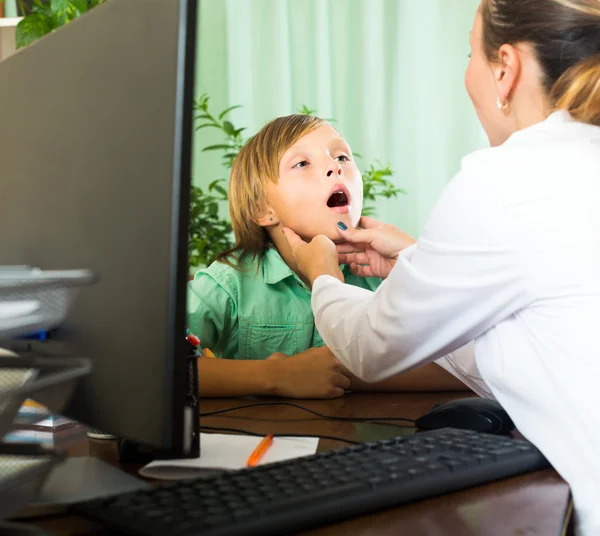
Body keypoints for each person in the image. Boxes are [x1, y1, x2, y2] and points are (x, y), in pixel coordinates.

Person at [283, 1, 600, 534]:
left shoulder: (506, 182)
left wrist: (321, 275)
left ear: (505, 68)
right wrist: (414, 260)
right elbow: (546, 337)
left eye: (468, 54)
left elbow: (369, 348)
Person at [188, 113, 469, 398]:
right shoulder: (229, 283)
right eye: (302, 163)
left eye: (342, 157)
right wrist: (275, 376)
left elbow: (472, 366)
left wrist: (416, 261)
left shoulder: (387, 274)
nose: (335, 167)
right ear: (263, 209)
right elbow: (156, 362)